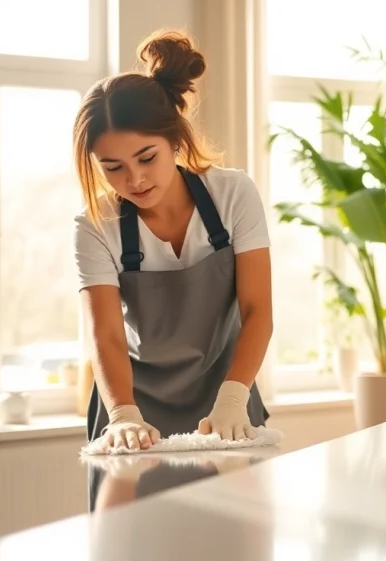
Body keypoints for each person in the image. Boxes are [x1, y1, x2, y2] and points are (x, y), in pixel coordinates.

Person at [73, 29, 272, 452]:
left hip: (227, 396)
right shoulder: (95, 225)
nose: (135, 179)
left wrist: (234, 397)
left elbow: (258, 311)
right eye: (113, 168)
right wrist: (123, 416)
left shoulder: (232, 195)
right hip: (133, 409)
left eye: (147, 158)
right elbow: (106, 335)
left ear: (175, 140)